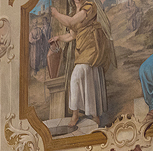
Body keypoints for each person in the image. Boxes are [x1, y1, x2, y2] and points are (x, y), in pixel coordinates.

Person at [49, 0, 114, 128]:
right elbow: (72, 35)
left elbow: (71, 22)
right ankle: (93, 115)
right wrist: (59, 38)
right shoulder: (75, 12)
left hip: (92, 47)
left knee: (76, 77)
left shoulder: (90, 6)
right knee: (90, 78)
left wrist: (56, 14)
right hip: (82, 49)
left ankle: (76, 114)